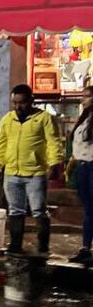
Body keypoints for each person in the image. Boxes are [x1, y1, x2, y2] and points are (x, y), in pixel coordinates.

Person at [0, 84, 65, 255]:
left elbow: (53, 142)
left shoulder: (44, 118)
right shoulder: (7, 119)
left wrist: (55, 165)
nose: (18, 107)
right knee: (15, 210)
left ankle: (42, 246)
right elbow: (0, 144)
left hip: (35, 173)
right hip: (12, 173)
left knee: (38, 209)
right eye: (15, 103)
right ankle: (15, 245)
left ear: (31, 101)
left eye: (22, 103)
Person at [69, 85, 93, 264]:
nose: (82, 100)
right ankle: (85, 248)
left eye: (87, 96)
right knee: (88, 209)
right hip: (82, 167)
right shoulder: (84, 117)